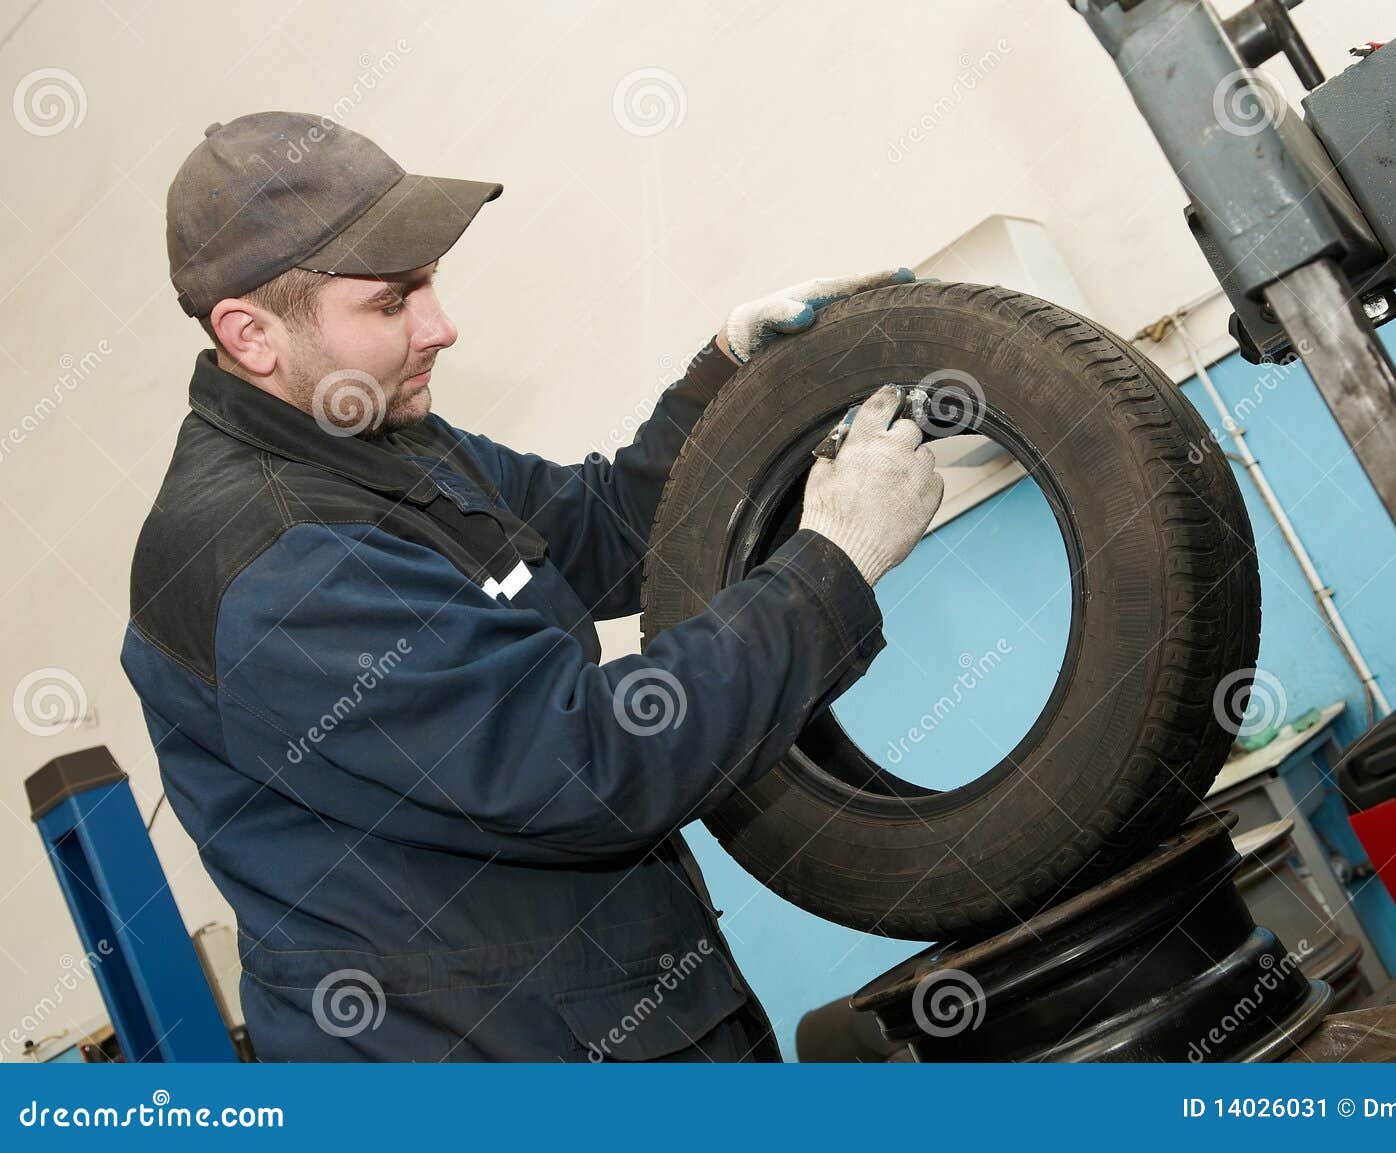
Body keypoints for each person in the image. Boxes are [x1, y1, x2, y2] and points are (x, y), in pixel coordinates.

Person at [120, 111, 943, 1060]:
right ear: (251, 335)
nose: (442, 327)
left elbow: (602, 531)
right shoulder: (272, 562)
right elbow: (589, 759)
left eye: (429, 284)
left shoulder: (379, 442)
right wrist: (830, 565)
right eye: (393, 304)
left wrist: (728, 376)